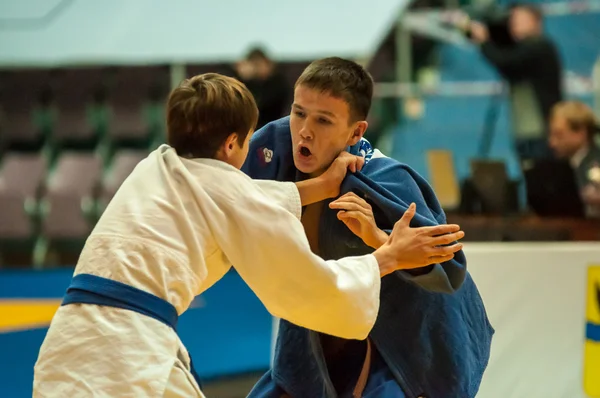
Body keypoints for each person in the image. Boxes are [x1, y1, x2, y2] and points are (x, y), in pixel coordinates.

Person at [32, 73, 465, 398]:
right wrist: (386, 255)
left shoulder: (155, 168)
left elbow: (244, 197)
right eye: (297, 114)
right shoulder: (229, 190)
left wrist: (321, 187)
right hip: (129, 354)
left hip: (70, 342)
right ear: (233, 144)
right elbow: (308, 287)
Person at [243, 57, 494, 398]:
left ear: (356, 131)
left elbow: (449, 268)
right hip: (319, 326)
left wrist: (380, 238)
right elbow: (221, 194)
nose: (304, 129)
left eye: (323, 120)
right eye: (299, 112)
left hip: (402, 337)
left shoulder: (387, 181)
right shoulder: (273, 147)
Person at [469, 3, 563, 165]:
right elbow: (506, 57)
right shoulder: (523, 51)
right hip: (524, 130)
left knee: (543, 178)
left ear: (536, 21)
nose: (514, 24)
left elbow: (505, 61)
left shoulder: (541, 46)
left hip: (541, 131)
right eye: (512, 20)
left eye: (519, 19)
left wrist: (484, 41)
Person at [549, 100, 600, 217]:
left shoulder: (597, 163)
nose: (552, 143)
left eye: (558, 134)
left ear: (581, 133)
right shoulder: (563, 166)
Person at [235, 47, 291, 129]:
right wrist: (242, 79)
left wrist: (250, 81)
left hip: (272, 127)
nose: (256, 69)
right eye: (254, 65)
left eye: (258, 64)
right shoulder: (241, 83)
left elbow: (260, 106)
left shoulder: (278, 82)